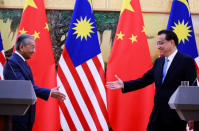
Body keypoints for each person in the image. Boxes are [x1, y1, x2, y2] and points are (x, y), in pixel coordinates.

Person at [106, 30, 197, 131]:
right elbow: (144, 80)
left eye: (160, 43)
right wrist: (124, 84)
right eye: (157, 43)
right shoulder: (159, 61)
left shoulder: (186, 61)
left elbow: (191, 89)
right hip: (156, 115)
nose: (158, 46)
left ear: (171, 42)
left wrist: (191, 116)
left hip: (176, 116)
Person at [3, 34, 66, 131]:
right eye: (32, 47)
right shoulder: (12, 63)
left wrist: (49, 91)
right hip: (17, 118)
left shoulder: (21, 62)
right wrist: (48, 92)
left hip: (26, 116)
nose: (34, 51)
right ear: (22, 47)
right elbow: (24, 86)